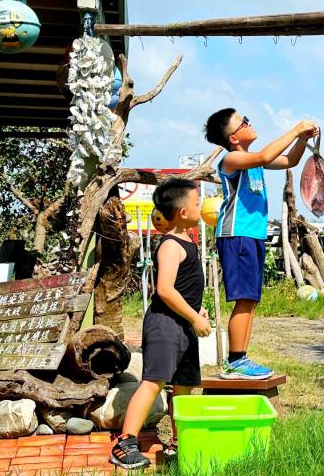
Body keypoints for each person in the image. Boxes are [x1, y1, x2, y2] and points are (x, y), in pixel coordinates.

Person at [204, 109, 318, 379]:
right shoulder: (232, 159)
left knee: (250, 300)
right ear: (233, 138)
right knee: (244, 299)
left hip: (252, 236)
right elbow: (266, 155)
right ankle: (235, 362)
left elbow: (289, 160)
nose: (249, 122)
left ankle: (240, 358)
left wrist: (302, 139)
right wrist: (294, 129)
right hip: (237, 235)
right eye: (244, 121)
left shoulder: (253, 162)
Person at [110, 178, 210, 469]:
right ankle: (124, 443)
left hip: (184, 326)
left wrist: (196, 310)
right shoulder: (170, 245)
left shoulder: (188, 241)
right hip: (166, 324)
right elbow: (164, 289)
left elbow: (184, 286)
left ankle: (180, 444)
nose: (200, 205)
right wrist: (193, 317)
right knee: (153, 383)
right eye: (196, 202)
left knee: (182, 387)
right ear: (182, 212)